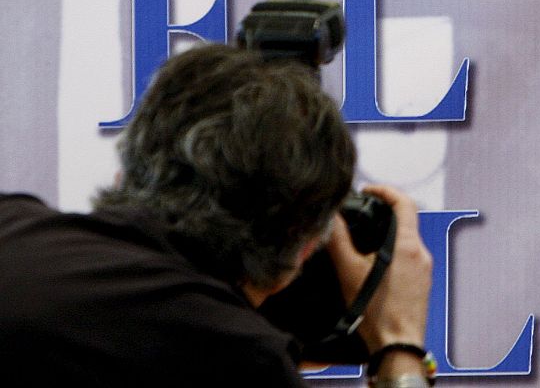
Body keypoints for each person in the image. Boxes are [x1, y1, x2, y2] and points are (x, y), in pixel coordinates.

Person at [0, 43, 434, 386]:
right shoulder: (240, 359)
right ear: (304, 249)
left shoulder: (10, 221)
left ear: (125, 172)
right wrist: (398, 347)